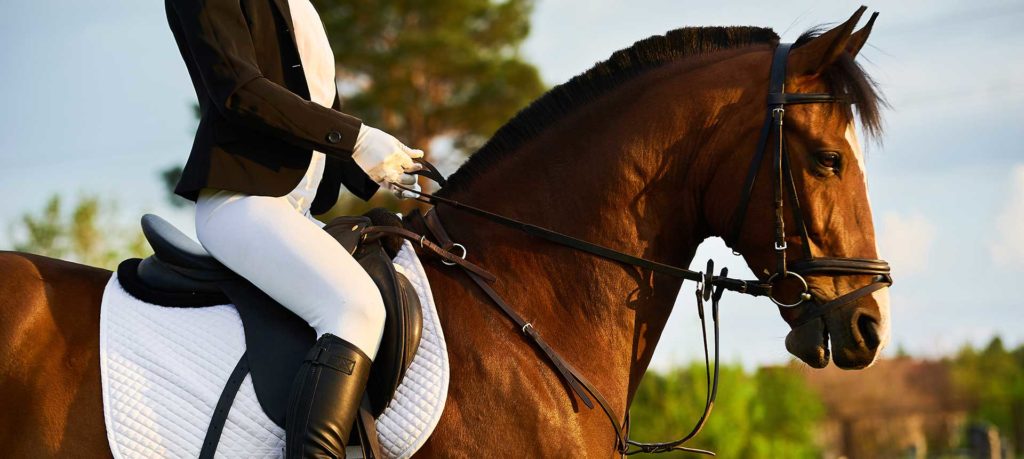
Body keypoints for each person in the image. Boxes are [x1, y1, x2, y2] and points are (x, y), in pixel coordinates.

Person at [164, 0, 421, 456]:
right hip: (242, 201)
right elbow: (239, 90)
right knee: (355, 307)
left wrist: (390, 168)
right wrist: (358, 138)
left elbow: (315, 106)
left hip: (297, 210)